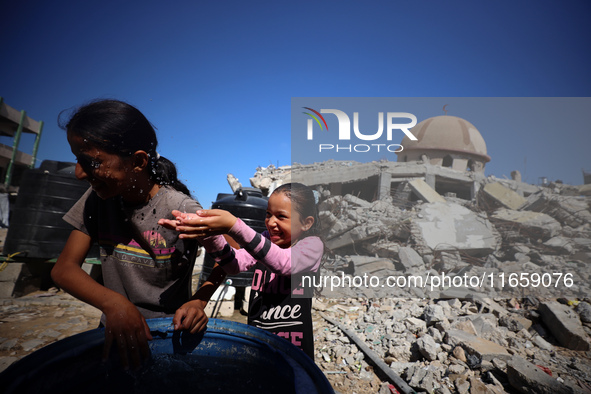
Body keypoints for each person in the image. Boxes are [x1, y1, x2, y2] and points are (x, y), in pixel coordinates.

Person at [50, 99, 202, 370]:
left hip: (170, 336)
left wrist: (198, 301)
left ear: (138, 161)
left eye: (91, 162)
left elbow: (232, 254)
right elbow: (63, 269)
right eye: (77, 159)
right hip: (113, 330)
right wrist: (115, 305)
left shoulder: (179, 208)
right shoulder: (96, 200)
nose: (78, 173)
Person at [159, 182, 323, 359]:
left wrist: (234, 226)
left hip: (294, 350)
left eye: (281, 217)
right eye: (268, 215)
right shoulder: (265, 239)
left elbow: (283, 263)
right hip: (260, 342)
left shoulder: (312, 245)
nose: (271, 222)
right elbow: (233, 265)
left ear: (306, 223)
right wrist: (207, 234)